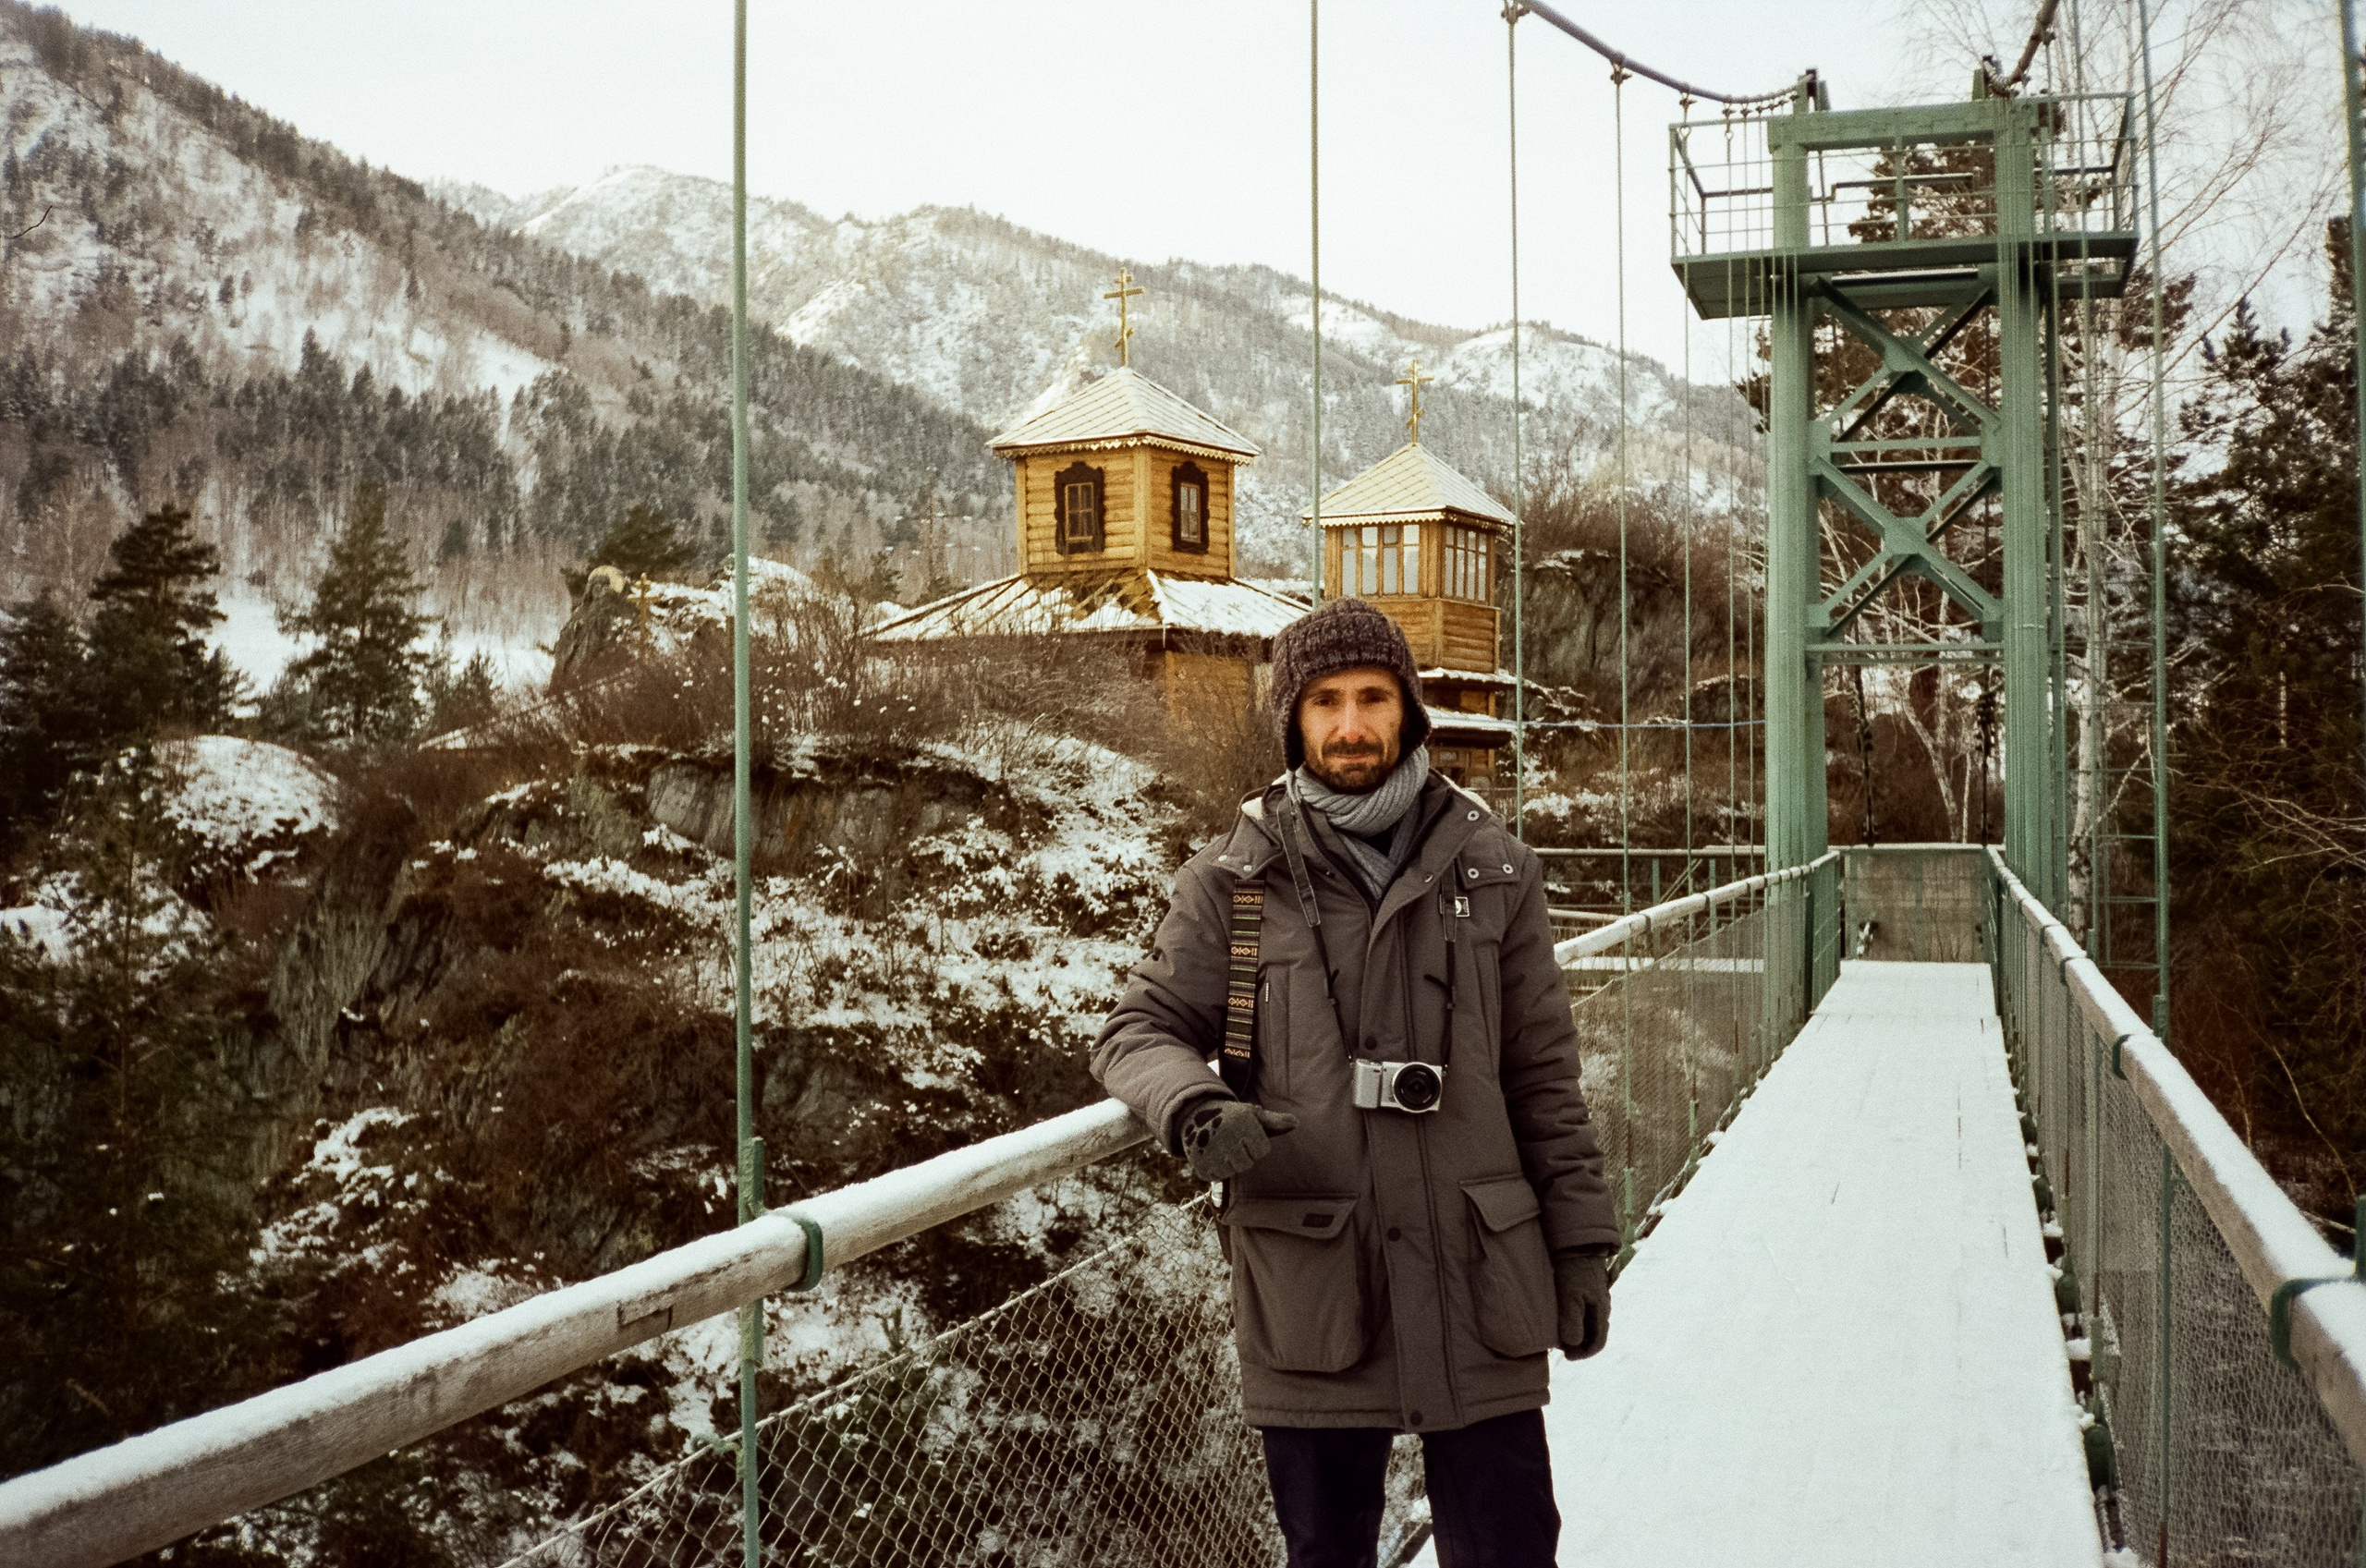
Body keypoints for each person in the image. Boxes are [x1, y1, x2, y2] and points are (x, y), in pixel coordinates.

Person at [1093, 597, 1617, 1568]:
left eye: (1372, 696)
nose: (1348, 724)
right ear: (1292, 718)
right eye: (1323, 700)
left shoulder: (1498, 868)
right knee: (1326, 1551)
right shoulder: (1233, 880)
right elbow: (1138, 1027)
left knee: (1513, 1547)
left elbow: (1545, 1075)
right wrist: (1193, 1103)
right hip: (1317, 1283)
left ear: (1408, 711)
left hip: (1480, 1273)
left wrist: (1580, 1240)